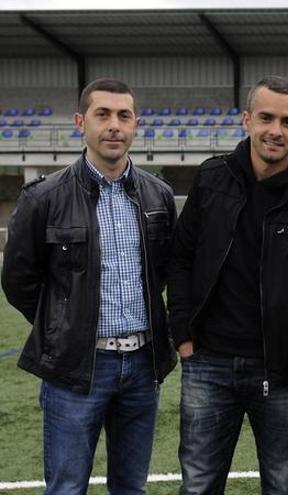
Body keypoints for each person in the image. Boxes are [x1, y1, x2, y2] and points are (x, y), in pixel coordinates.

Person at [166, 75, 288, 495]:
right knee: (197, 485)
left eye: (287, 122)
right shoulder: (212, 179)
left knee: (282, 485)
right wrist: (183, 336)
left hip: (282, 371)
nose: (275, 130)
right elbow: (180, 258)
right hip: (207, 363)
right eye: (266, 118)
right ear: (247, 119)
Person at [1, 78, 177, 495]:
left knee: (131, 488)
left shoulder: (160, 196)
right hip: (75, 369)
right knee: (66, 488)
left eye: (124, 116)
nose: (114, 125)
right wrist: (65, 326)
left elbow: (165, 273)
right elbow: (18, 280)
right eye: (103, 114)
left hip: (141, 367)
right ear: (82, 122)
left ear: (136, 125)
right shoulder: (43, 197)